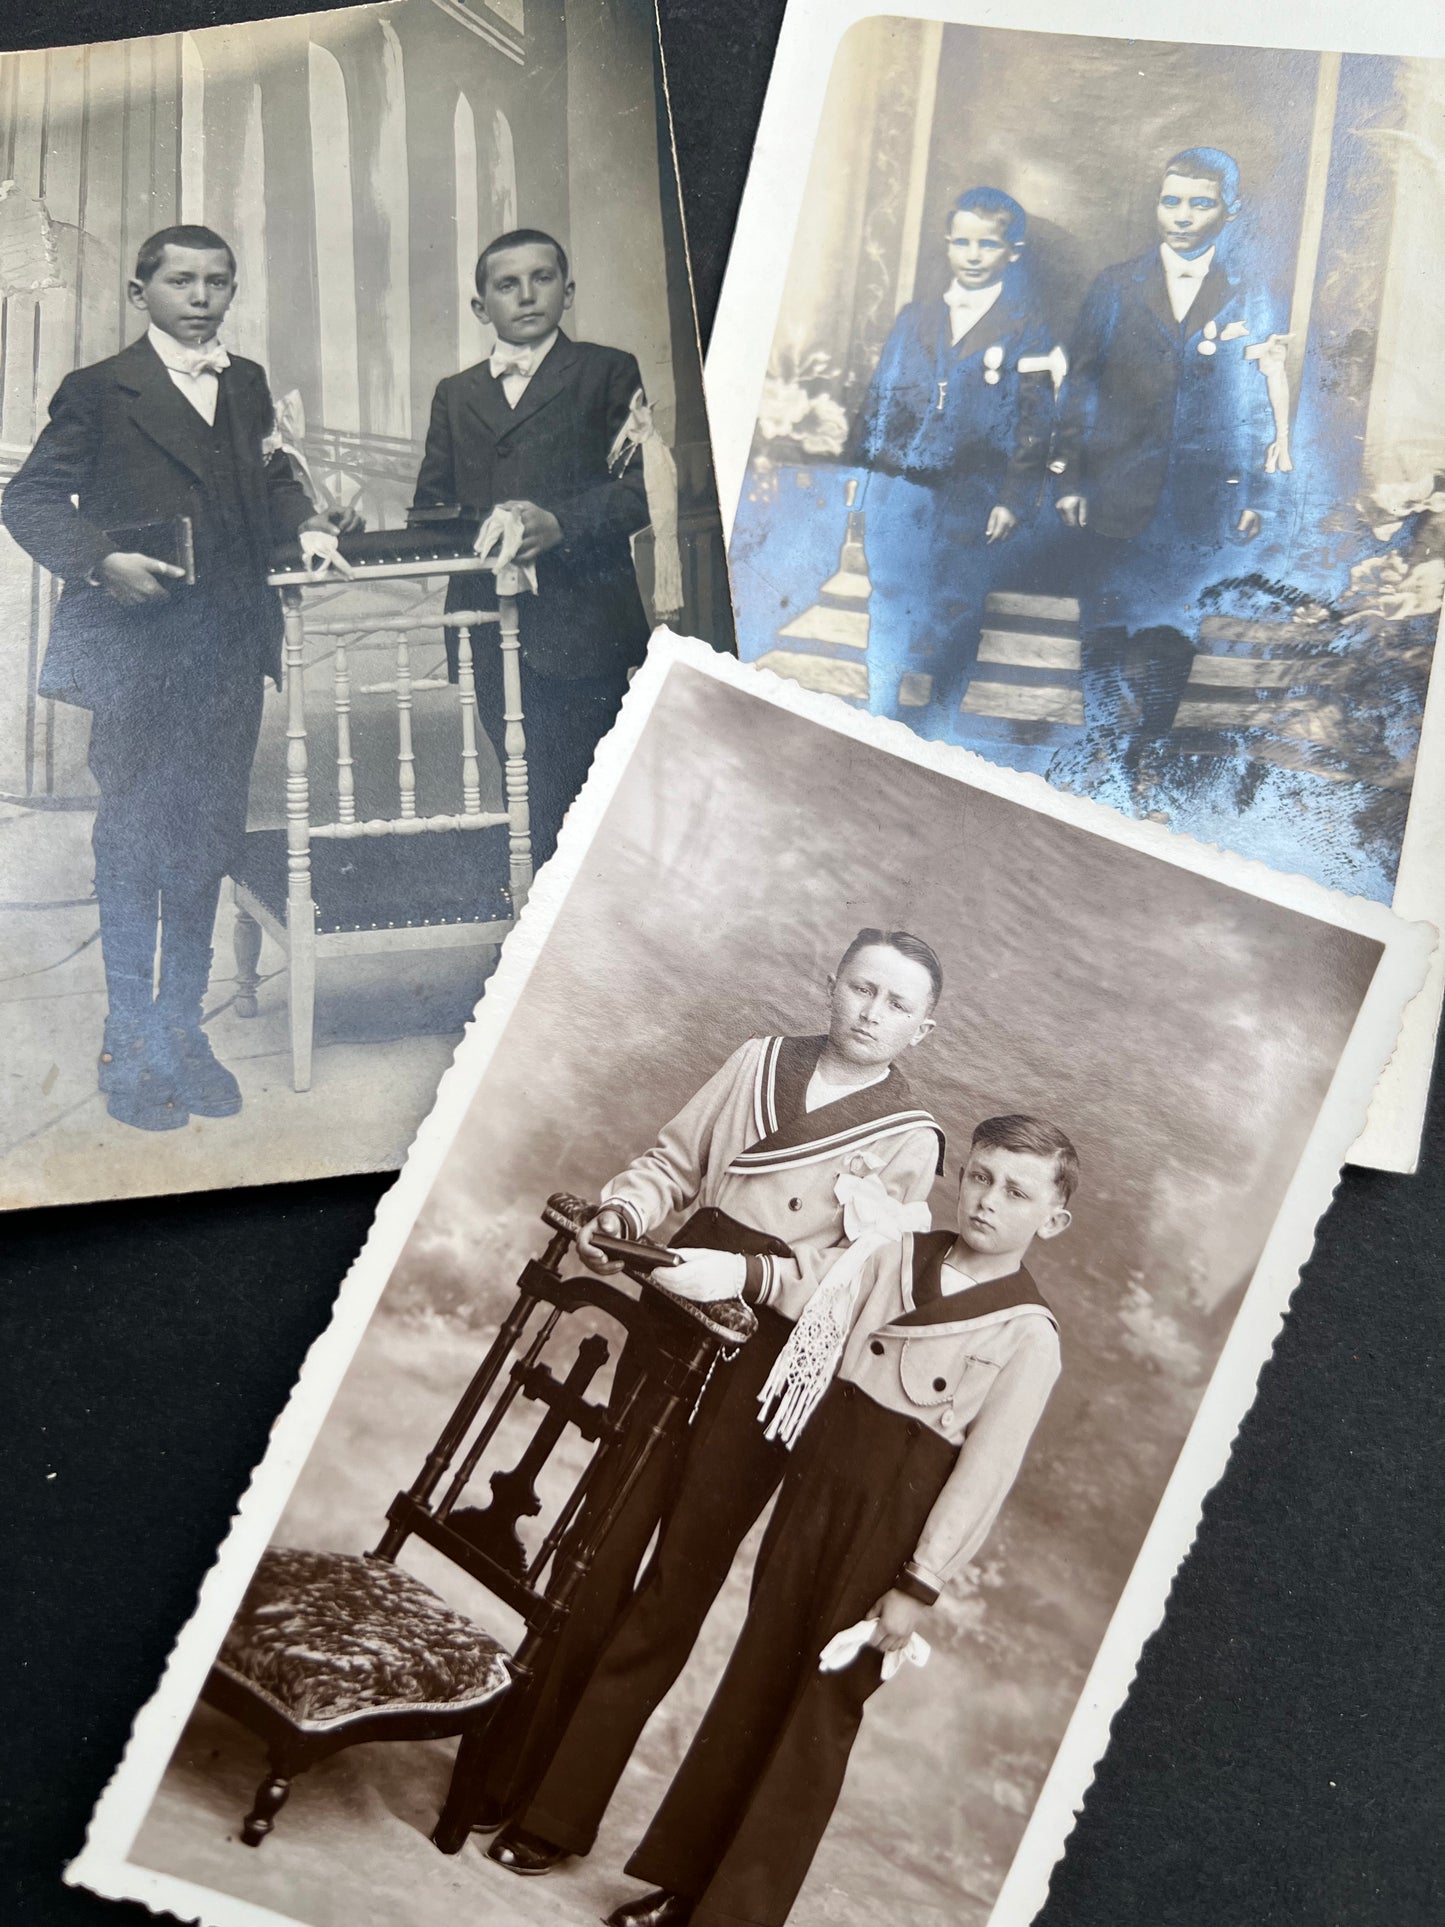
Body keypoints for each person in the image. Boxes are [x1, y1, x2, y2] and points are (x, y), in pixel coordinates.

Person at [481, 930, 947, 1870]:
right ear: (830, 983)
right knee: (598, 1540)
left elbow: (861, 1279)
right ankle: (501, 1770)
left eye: (895, 1004)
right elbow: (673, 1162)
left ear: (921, 1030)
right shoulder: (756, 1062)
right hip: (672, 1302)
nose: (870, 1011)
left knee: (681, 1570)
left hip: (774, 1361)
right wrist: (623, 1215)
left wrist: (749, 1267)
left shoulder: (912, 1137)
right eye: (860, 987)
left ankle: (557, 1814)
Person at [603, 1113, 1078, 1927]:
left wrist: (919, 1582)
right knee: (752, 1680)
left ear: (1052, 1218)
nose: (987, 1200)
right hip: (816, 1482)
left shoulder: (1028, 1334)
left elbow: (984, 1474)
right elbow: (815, 1302)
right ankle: (681, 1884)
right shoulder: (898, 1253)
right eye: (978, 1176)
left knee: (817, 1715)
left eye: (1015, 1190)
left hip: (895, 1519)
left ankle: (734, 1915)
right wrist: (727, 1271)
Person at [1, 225, 347, 1131]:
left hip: (227, 649)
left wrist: (305, 526)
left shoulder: (245, 382)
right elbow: (27, 497)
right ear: (138, 290)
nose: (201, 296)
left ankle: (181, 1033)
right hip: (137, 653)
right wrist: (98, 559)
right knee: (131, 844)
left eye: (218, 282)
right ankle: (128, 1039)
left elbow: (269, 481)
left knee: (205, 843)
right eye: (181, 280)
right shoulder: (99, 390)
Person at [412, 227, 655, 869]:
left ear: (568, 291)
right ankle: (536, 931)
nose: (526, 296)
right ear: (479, 306)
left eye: (542, 279)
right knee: (525, 794)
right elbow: (434, 508)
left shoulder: (607, 371)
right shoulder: (456, 393)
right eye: (506, 284)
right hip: (487, 626)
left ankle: (578, 948)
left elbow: (641, 489)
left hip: (583, 623)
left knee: (580, 793)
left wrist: (562, 523)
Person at [1050, 148, 1282, 767]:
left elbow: (1264, 396)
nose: (1180, 216)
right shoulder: (1116, 284)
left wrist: (1258, 491)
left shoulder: (1247, 295)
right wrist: (1070, 477)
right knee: (1101, 621)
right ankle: (1101, 742)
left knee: (1175, 630)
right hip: (1114, 484)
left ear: (1230, 210)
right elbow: (1079, 384)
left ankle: (1148, 749)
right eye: (1170, 200)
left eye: (1199, 203)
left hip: (1198, 493)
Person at [845, 187, 1057, 734]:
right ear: (947, 244)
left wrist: (1014, 499)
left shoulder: (1026, 327)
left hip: (974, 496)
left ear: (1013, 252)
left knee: (956, 608)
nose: (972, 254)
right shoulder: (917, 317)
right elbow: (882, 397)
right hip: (905, 488)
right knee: (890, 595)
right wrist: (866, 480)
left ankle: (937, 720)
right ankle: (880, 710)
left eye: (987, 244)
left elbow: (1036, 423)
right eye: (961, 242)